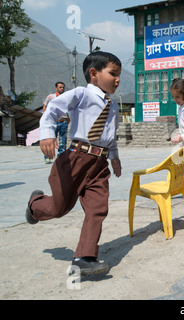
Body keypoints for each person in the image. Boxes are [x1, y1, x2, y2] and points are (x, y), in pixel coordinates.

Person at [25, 51, 123, 276]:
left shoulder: (114, 105)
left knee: (98, 209)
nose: (117, 79)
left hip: (99, 164)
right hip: (75, 159)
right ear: (93, 73)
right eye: (113, 73)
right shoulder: (81, 94)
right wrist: (47, 134)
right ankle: (35, 205)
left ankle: (84, 257)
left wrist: (114, 157)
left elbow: (110, 135)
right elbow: (52, 110)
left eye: (119, 75)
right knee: (60, 208)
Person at [42, 82, 68, 164]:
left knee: (63, 141)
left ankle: (61, 157)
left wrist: (69, 118)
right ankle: (47, 157)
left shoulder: (66, 97)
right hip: (54, 122)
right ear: (56, 88)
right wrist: (47, 116)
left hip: (63, 122)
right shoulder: (50, 97)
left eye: (63, 87)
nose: (62, 89)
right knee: (50, 140)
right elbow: (44, 106)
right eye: (60, 87)